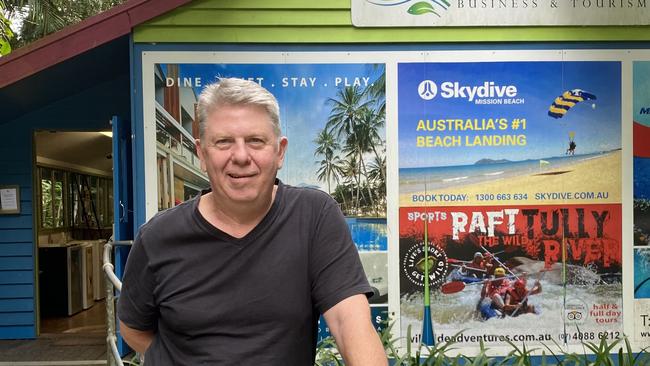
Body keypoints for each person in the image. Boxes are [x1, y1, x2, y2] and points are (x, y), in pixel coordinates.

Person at [117, 78, 387, 365]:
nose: (241, 156)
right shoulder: (159, 236)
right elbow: (133, 327)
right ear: (202, 154)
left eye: (255, 141)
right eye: (224, 142)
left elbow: (349, 322)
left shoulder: (314, 216)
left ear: (279, 151)